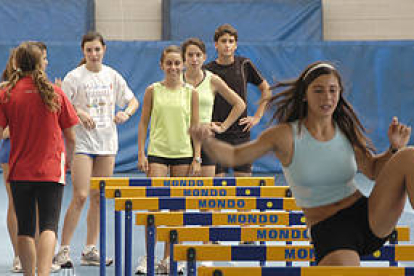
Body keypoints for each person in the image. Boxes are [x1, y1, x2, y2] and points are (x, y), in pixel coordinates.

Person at [190, 61, 414, 266]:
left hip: (368, 215)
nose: (327, 97)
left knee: (408, 155)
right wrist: (206, 140)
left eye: (332, 90)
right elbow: (233, 157)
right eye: (318, 90)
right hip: (330, 229)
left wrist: (394, 149)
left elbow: (374, 170)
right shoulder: (284, 135)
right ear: (305, 94)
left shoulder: (345, 129)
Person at [53, 31, 139, 267]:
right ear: (83, 51)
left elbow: (132, 100)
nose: (93, 54)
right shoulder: (74, 76)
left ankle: (90, 249)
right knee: (80, 195)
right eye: (89, 50)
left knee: (98, 198)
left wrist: (126, 113)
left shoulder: (112, 75)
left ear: (104, 50)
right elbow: (62, 102)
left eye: (97, 49)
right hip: (82, 143)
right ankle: (63, 249)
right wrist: (79, 113)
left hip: (107, 143)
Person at [0, 42, 78, 276]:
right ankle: (43, 273)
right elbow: (71, 136)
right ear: (39, 63)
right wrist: (69, 162)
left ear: (16, 63)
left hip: (20, 170)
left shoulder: (6, 94)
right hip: (52, 170)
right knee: (48, 226)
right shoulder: (55, 92)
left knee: (25, 228)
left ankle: (29, 274)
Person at [136, 45, 199, 274]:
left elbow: (195, 126)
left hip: (183, 153)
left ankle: (170, 258)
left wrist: (197, 156)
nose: (173, 67)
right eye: (168, 63)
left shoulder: (191, 92)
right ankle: (149, 257)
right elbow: (143, 122)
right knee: (154, 206)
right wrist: (142, 153)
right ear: (162, 66)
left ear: (183, 65)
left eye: (176, 63)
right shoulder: (153, 90)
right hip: (158, 153)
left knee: (177, 209)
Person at [204, 23, 271, 176]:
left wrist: (257, 116)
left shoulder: (244, 65)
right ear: (216, 45)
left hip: (240, 134)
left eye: (231, 41)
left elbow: (266, 89)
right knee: (216, 188)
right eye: (223, 41)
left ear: (235, 45)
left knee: (244, 187)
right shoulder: (207, 71)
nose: (227, 45)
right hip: (216, 134)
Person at [181, 37, 245, 176]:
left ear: (204, 57)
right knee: (182, 193)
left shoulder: (212, 80)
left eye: (198, 55)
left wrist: (222, 127)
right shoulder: (176, 81)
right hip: (181, 140)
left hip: (205, 140)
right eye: (190, 55)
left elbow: (239, 104)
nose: (194, 59)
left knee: (206, 193)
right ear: (183, 58)